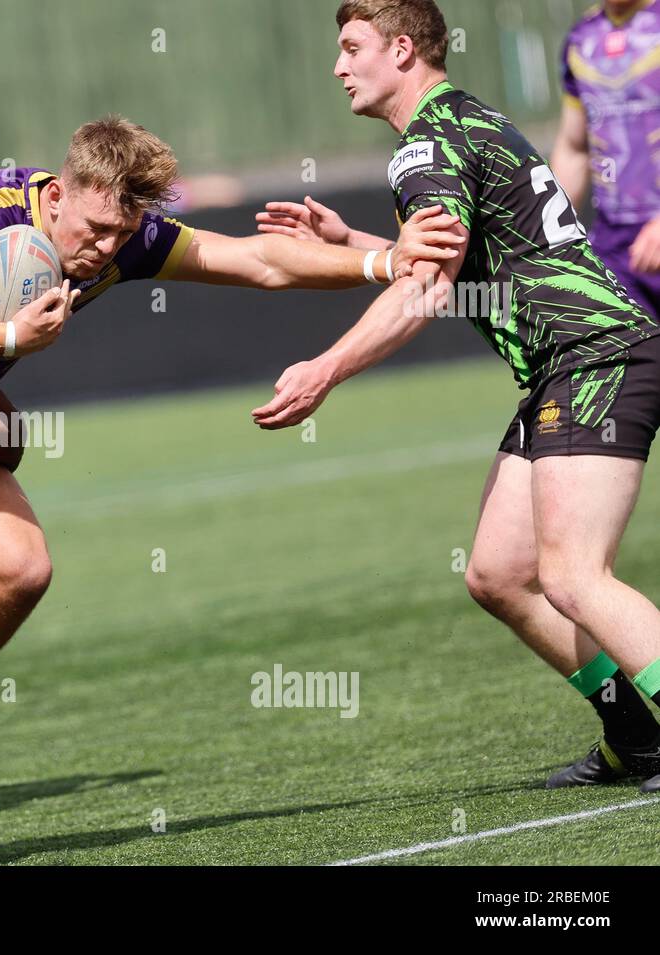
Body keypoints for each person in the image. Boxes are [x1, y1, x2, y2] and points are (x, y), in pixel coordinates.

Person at [0, 114, 463, 824]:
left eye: (121, 233)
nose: (105, 249)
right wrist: (0, 339)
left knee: (19, 568)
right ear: (62, 193)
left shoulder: (127, 237)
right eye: (94, 228)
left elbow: (258, 260)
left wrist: (385, 261)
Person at [252, 0, 660, 791]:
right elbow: (463, 263)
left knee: (575, 575)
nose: (337, 67)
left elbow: (425, 293)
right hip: (570, 359)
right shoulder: (462, 121)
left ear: (402, 49)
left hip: (594, 353)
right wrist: (355, 244)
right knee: (500, 572)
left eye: (351, 49)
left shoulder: (426, 146)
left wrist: (324, 369)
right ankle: (637, 737)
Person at [550, 0, 660, 321]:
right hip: (615, 247)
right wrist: (546, 233)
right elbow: (575, 148)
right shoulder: (581, 40)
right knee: (625, 366)